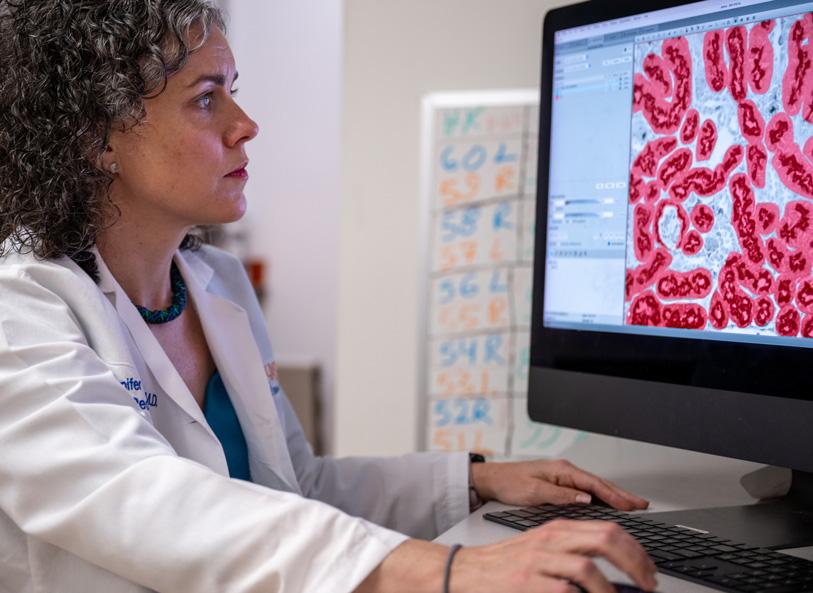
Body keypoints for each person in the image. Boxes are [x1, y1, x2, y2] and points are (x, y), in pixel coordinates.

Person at [0, 2, 658, 592]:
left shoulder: (215, 285)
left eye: (234, 93)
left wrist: (469, 480)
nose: (246, 124)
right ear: (97, 138)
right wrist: (445, 569)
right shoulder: (20, 305)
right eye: (207, 100)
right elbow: (141, 499)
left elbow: (293, 488)